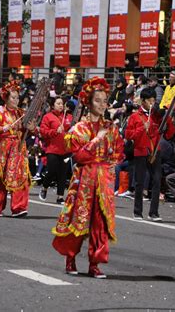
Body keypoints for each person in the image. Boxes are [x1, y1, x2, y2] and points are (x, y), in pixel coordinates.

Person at [51, 77, 124, 278]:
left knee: (100, 224)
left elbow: (119, 151)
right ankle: (70, 259)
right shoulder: (79, 129)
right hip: (83, 180)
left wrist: (110, 166)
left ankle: (95, 264)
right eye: (98, 100)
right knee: (78, 219)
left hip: (103, 181)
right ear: (88, 103)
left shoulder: (111, 127)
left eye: (104, 101)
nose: (102, 105)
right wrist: (97, 140)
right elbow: (79, 156)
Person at [0, 81, 37, 217]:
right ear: (6, 98)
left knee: (21, 176)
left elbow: (29, 130)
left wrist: (31, 129)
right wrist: (1, 129)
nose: (16, 100)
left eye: (17, 97)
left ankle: (19, 208)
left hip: (18, 148)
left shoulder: (21, 113)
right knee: (1, 177)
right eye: (13, 97)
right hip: (2, 149)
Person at [125, 87, 175, 221]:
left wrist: (167, 117)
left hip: (155, 151)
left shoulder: (156, 115)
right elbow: (128, 135)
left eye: (154, 100)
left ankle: (153, 212)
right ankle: (137, 212)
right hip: (140, 151)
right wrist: (143, 128)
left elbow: (170, 133)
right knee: (139, 182)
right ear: (143, 101)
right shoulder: (134, 116)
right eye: (149, 101)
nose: (152, 103)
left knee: (157, 181)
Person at [39, 96, 72, 204]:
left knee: (63, 173)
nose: (61, 105)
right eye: (58, 103)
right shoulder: (48, 117)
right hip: (52, 148)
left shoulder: (68, 117)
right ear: (53, 105)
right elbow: (43, 132)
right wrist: (55, 131)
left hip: (65, 149)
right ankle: (44, 187)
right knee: (52, 170)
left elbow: (73, 128)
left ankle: (60, 196)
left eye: (62, 103)